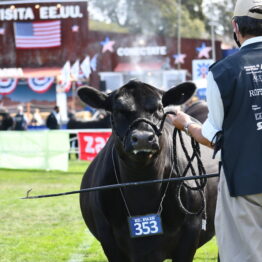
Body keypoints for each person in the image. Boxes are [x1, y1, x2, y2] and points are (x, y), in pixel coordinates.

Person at [170, 1, 262, 261]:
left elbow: (212, 137)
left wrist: (185, 123)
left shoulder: (223, 72)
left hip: (244, 184)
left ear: (236, 27)